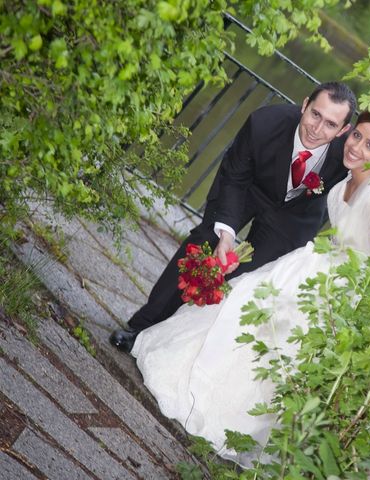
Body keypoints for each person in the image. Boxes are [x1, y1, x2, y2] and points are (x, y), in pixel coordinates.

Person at [131, 108, 370, 467]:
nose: (357, 147)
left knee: (277, 335)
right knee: (246, 304)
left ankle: (239, 415)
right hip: (317, 266)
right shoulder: (346, 181)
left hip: (338, 289)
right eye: (357, 136)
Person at [110, 82, 357, 352]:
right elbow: (235, 178)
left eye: (331, 125)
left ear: (344, 130)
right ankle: (142, 327)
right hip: (249, 187)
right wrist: (225, 234)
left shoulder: (349, 155)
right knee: (205, 242)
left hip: (295, 216)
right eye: (315, 115)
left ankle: (179, 344)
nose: (317, 129)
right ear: (305, 104)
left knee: (248, 281)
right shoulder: (264, 123)